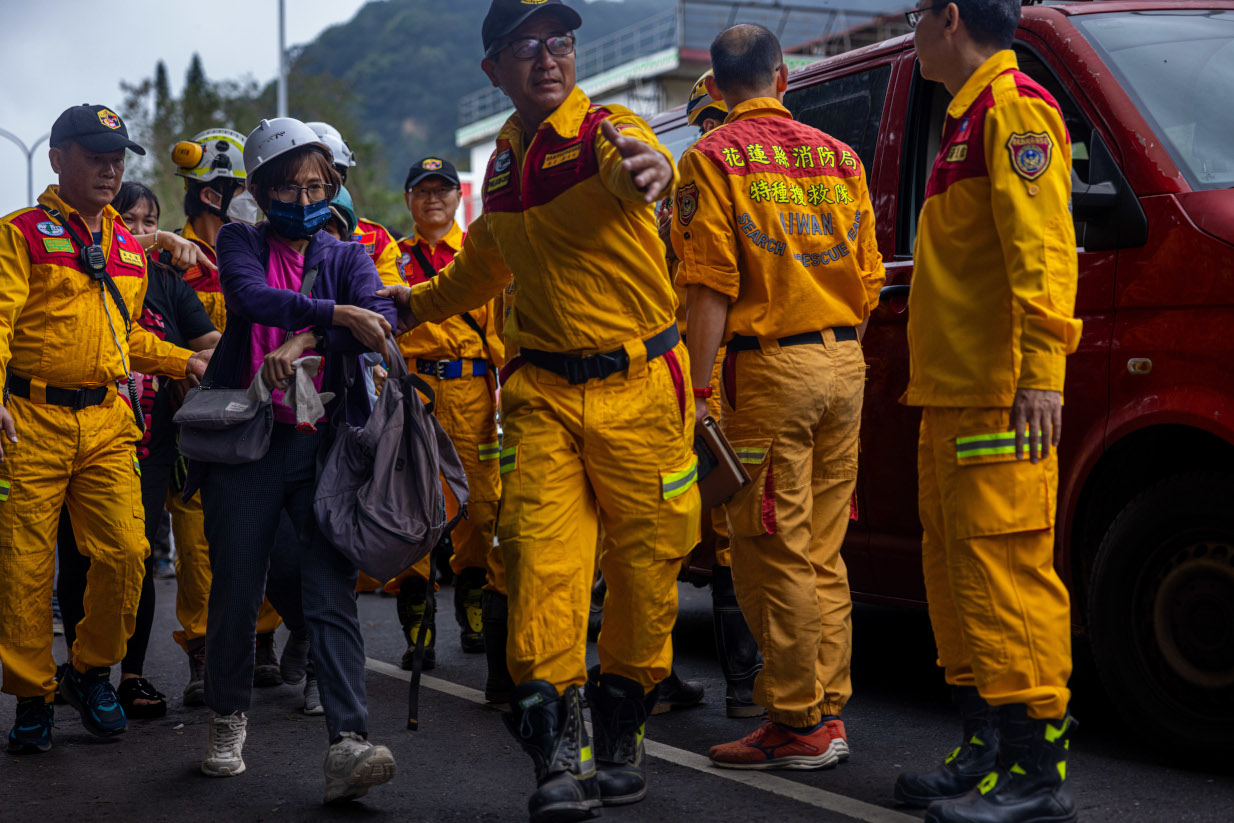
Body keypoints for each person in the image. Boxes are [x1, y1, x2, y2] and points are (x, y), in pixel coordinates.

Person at [380, 1, 697, 819]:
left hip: (643, 390)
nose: (547, 57)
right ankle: (557, 745)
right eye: (525, 46)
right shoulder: (504, 164)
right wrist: (409, 307)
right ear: (494, 69)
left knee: (646, 568)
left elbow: (637, 161)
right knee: (543, 567)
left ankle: (622, 725)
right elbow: (485, 263)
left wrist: (652, 171)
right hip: (541, 397)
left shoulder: (606, 128)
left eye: (558, 41)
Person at [673, 25, 884, 770]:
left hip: (769, 375)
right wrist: (834, 343)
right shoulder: (840, 156)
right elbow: (868, 280)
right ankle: (824, 708)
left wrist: (698, 393)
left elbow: (708, 290)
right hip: (843, 363)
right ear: (783, 76)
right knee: (823, 549)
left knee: (771, 549)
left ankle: (797, 720)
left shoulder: (710, 159)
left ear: (718, 86)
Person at [894, 3, 1081, 821]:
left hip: (1000, 393)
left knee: (1005, 571)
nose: (911, 31)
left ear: (951, 16)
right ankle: (987, 747)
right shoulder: (966, 118)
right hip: (952, 392)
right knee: (958, 575)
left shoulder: (1014, 111)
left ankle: (1038, 775)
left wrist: (1043, 374)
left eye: (915, 14)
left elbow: (1041, 250)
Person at [187, 116, 399, 804]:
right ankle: (227, 717)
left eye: (317, 185)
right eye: (289, 185)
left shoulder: (349, 253)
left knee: (331, 592)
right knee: (237, 591)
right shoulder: (243, 240)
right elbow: (252, 299)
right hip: (247, 445)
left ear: (333, 186)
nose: (304, 198)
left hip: (323, 448)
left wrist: (308, 336)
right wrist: (332, 319)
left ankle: (349, 742)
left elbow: (380, 323)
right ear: (261, 189)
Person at [0, 104, 210, 754]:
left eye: (117, 157)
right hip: (30, 421)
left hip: (107, 420)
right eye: (94, 154)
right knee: (26, 567)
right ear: (58, 157)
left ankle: (89, 669)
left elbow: (124, 338)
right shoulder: (20, 233)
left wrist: (187, 359)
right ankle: (32, 694)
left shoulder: (125, 244)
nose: (109, 167)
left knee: (127, 553)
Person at [55, 182, 221, 722]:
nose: (143, 232)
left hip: (148, 444)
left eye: (152, 221)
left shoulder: (170, 285)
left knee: (135, 556)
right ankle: (82, 674)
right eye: (132, 220)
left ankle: (126, 674)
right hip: (71, 435)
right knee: (79, 560)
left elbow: (207, 344)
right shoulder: (85, 277)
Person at [168, 127, 292, 701]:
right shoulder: (172, 259)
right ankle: (201, 650)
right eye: (245, 186)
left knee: (261, 531)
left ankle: (261, 639)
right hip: (196, 417)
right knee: (196, 539)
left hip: (263, 411)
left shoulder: (262, 249)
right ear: (214, 193)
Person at [658, 68, 762, 720]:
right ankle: (657, 676)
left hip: (729, 373)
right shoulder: (685, 187)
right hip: (688, 375)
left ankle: (747, 687)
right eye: (701, 123)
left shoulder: (746, 182)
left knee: (731, 531)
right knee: (668, 528)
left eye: (718, 117)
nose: (711, 132)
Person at [393, 156, 506, 681]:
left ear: (457, 198)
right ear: (409, 200)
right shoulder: (392, 259)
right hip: (414, 391)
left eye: (442, 190)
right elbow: (389, 324)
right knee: (413, 505)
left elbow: (502, 326)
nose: (433, 199)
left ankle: (473, 604)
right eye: (423, 190)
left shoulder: (482, 253)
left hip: (476, 394)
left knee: (482, 507)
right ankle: (419, 628)